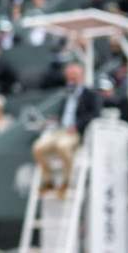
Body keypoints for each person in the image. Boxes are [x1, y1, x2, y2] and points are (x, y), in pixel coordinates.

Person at [32, 63, 101, 197]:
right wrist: (55, 120)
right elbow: (64, 115)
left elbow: (95, 114)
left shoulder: (90, 93)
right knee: (38, 148)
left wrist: (78, 125)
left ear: (81, 75)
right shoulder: (67, 94)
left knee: (62, 147)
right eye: (69, 76)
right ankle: (48, 181)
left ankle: (67, 181)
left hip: (75, 133)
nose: (71, 78)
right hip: (60, 131)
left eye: (74, 75)